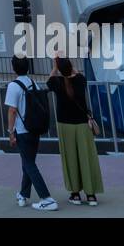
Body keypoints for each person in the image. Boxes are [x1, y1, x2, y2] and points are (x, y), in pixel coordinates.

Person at [47, 57, 102, 206]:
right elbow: (76, 74)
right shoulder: (80, 80)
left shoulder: (56, 82)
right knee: (86, 157)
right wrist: (69, 66)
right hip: (82, 124)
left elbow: (50, 80)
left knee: (70, 158)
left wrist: (55, 67)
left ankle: (75, 193)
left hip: (65, 124)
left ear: (59, 69)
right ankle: (91, 195)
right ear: (71, 66)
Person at [5, 55, 57, 211]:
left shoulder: (13, 86)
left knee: (29, 164)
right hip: (35, 128)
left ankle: (46, 197)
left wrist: (10, 132)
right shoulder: (33, 83)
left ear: (13, 68)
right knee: (28, 162)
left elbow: (12, 110)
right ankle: (23, 194)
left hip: (22, 130)